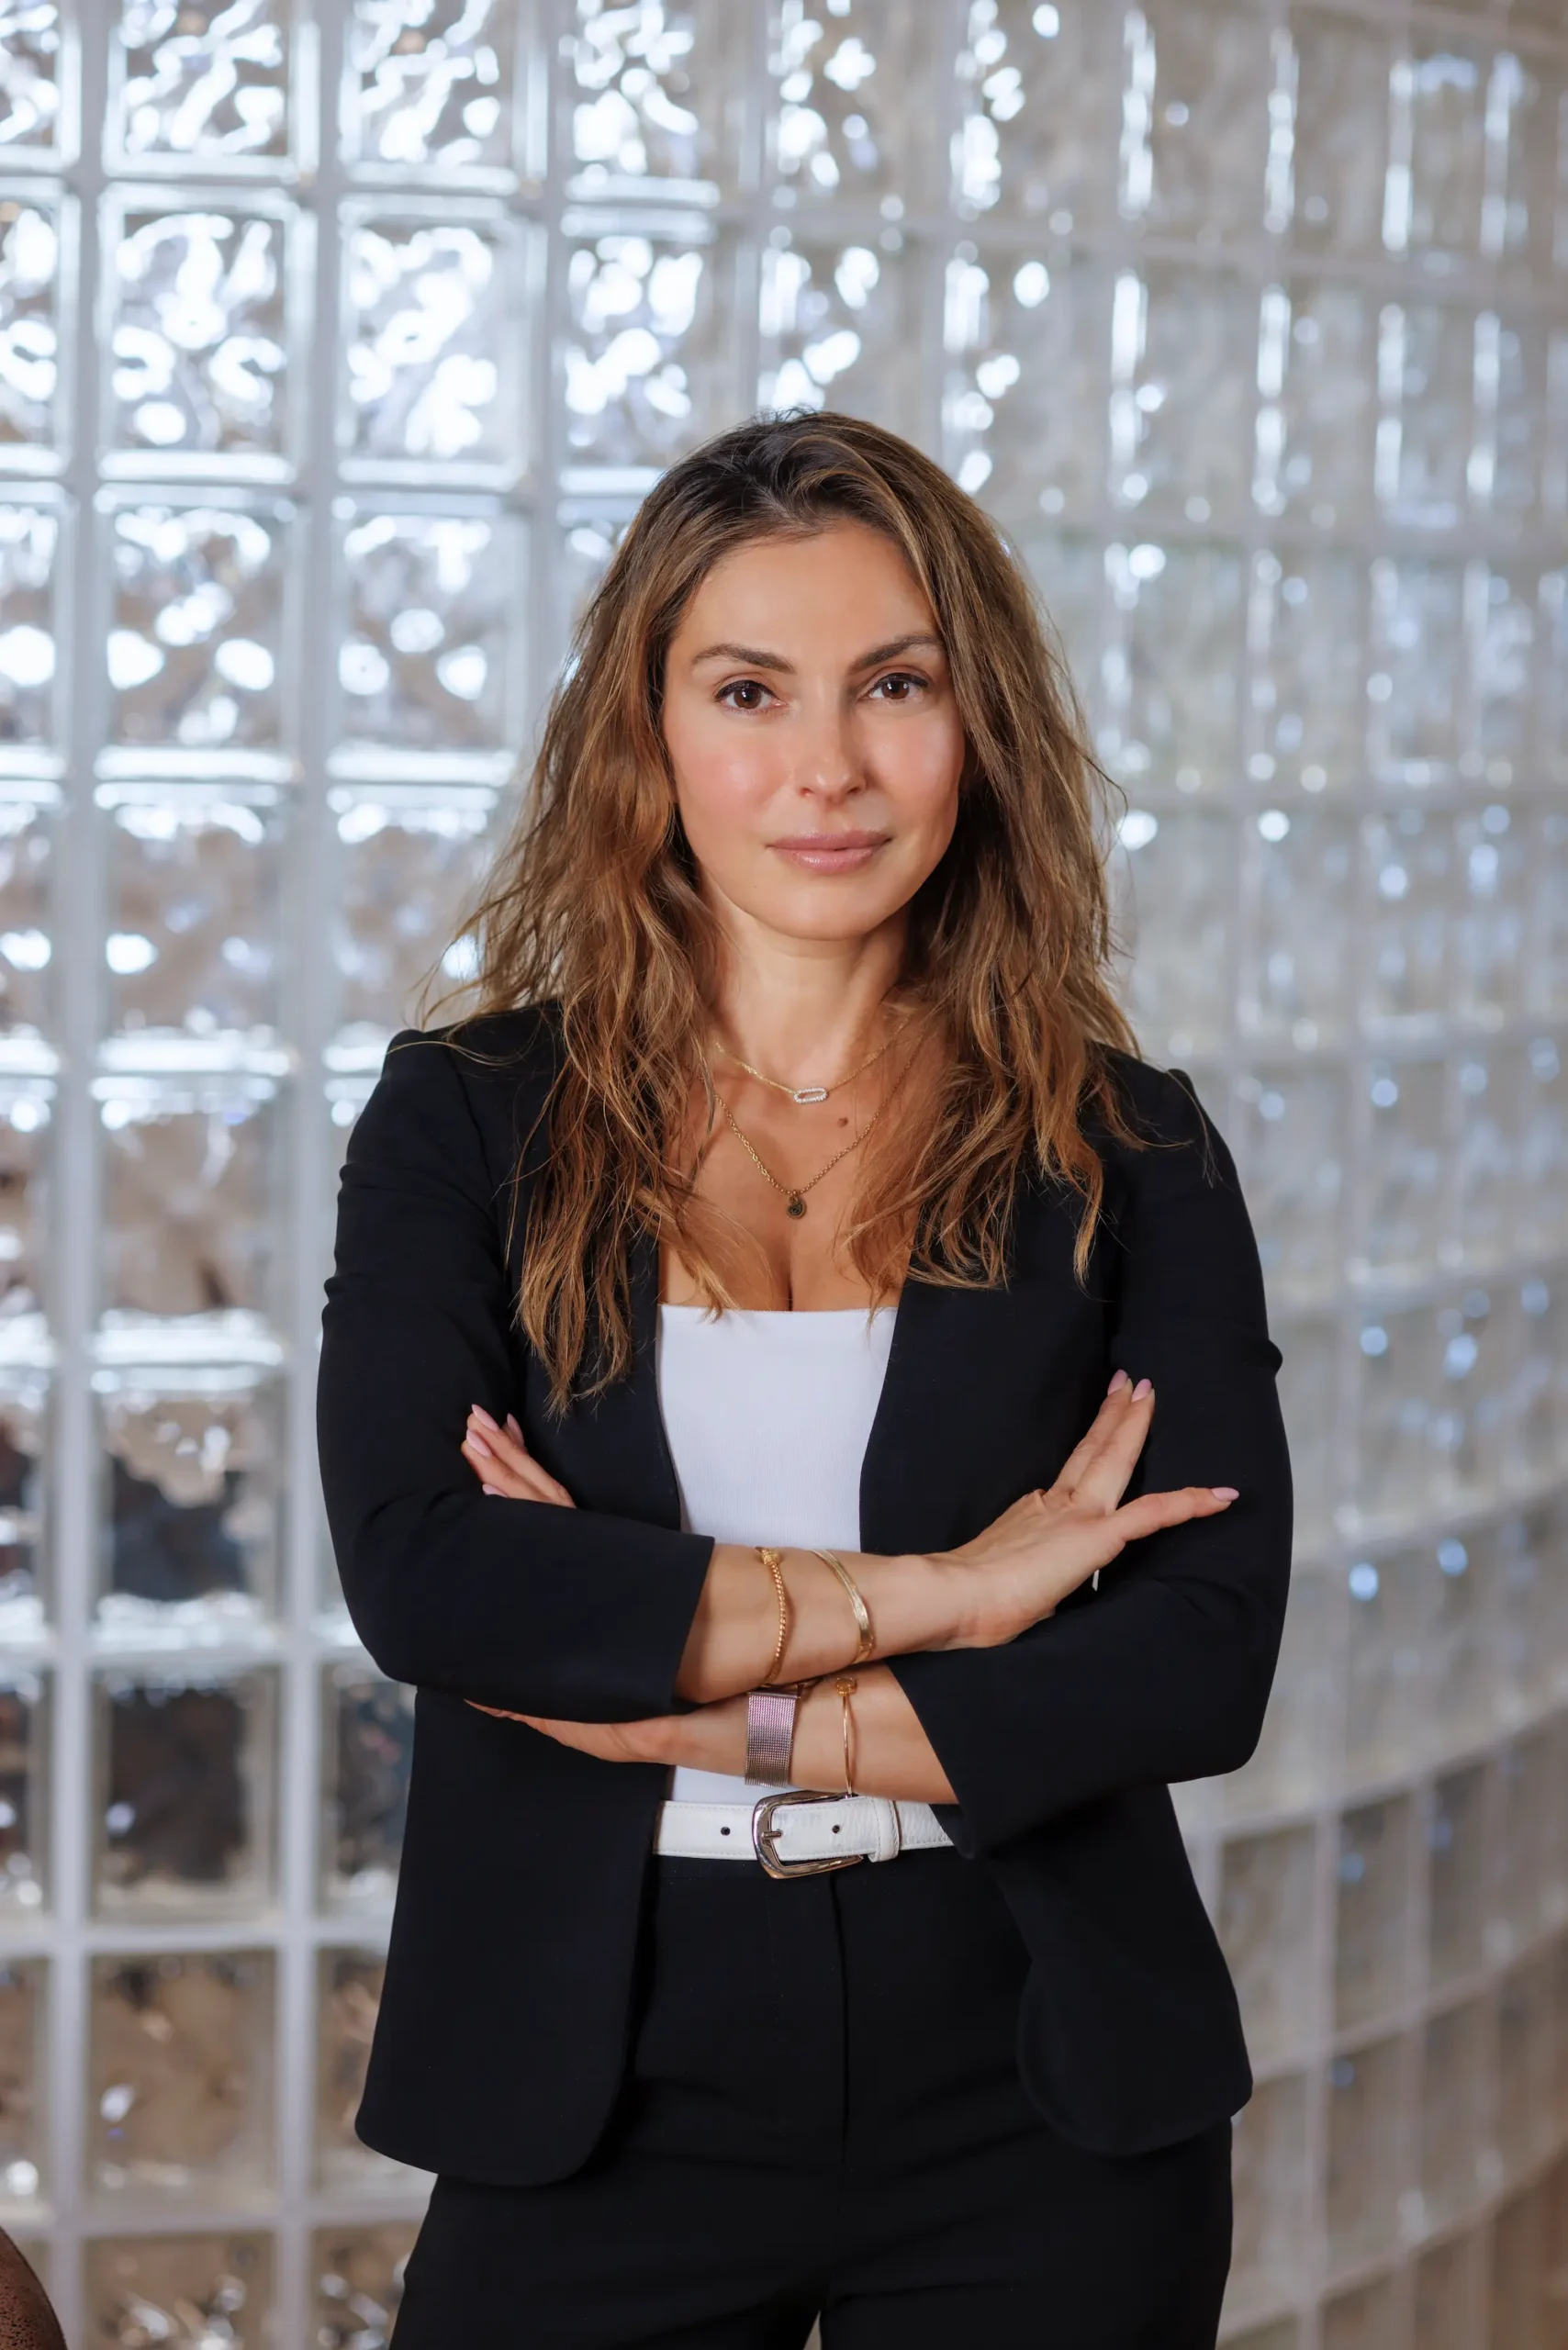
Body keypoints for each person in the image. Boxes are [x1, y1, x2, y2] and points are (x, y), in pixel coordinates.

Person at [316, 409, 1293, 2348]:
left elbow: (1194, 1658)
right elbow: (432, 1576)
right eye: (748, 688)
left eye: (894, 685)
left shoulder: (1129, 1144)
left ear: (973, 724)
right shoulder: (467, 1119)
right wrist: (950, 1594)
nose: (825, 766)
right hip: (597, 2078)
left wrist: (696, 1712)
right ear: (648, 733)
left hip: (1036, 2080)